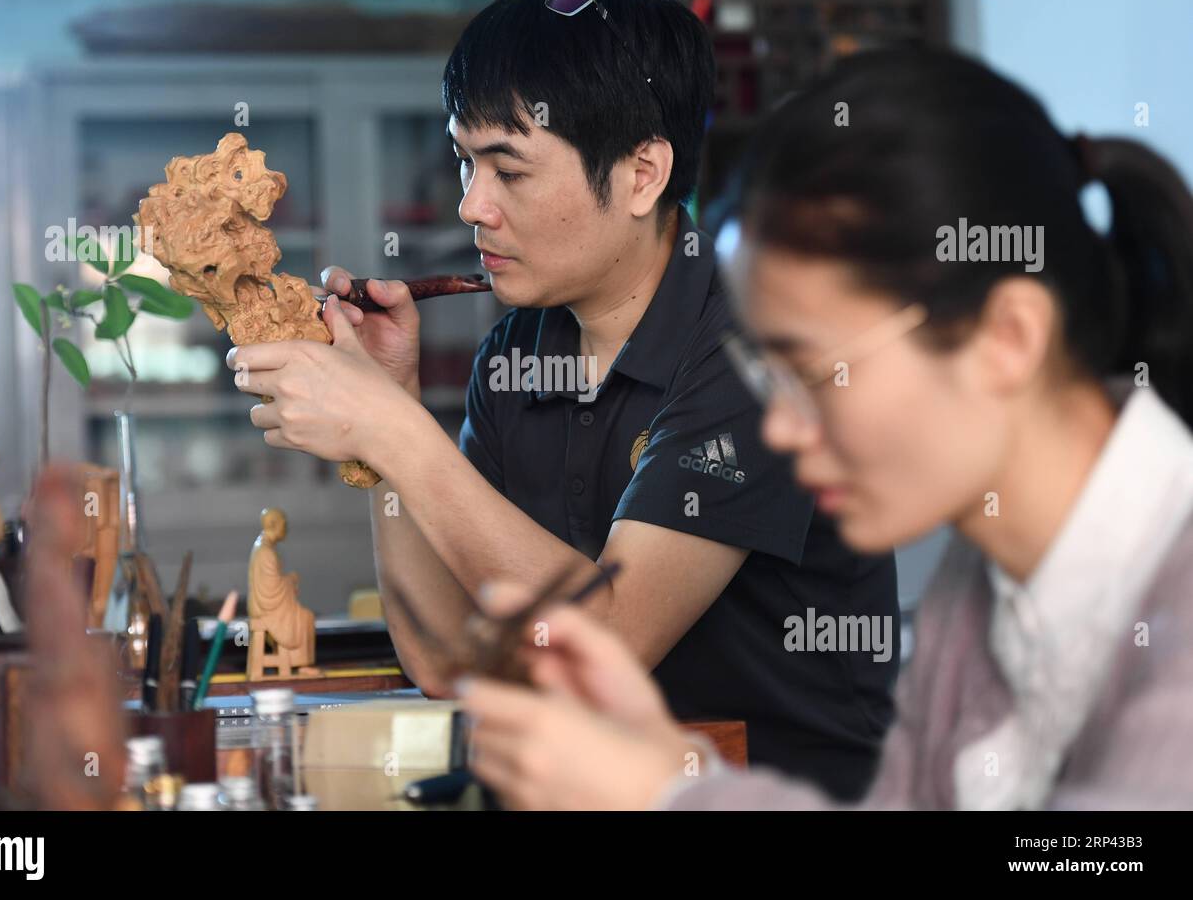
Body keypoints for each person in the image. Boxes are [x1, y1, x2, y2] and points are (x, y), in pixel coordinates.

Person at [456, 48, 1193, 810]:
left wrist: (670, 792)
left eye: (813, 372)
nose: (777, 428)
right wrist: (663, 758)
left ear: (1006, 338)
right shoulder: (984, 586)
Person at [226, 0, 899, 801]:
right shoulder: (518, 350)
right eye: (464, 161)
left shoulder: (754, 351)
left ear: (642, 175)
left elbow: (609, 637)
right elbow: (446, 660)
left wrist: (391, 431)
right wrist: (388, 414)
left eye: (509, 170)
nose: (472, 206)